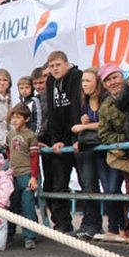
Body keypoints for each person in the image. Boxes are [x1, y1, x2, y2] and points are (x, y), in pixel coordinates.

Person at [45, 51, 83, 233]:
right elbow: (52, 114)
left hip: (78, 138)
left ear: (67, 64)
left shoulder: (77, 77)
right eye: (51, 66)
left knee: (86, 183)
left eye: (58, 65)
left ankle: (91, 224)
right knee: (58, 184)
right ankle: (63, 224)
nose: (54, 69)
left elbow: (77, 107)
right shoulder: (50, 82)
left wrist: (78, 139)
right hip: (62, 140)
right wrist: (56, 140)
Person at [71, 68, 107, 239]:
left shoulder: (106, 99)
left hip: (105, 148)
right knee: (88, 185)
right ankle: (90, 223)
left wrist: (85, 126)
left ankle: (117, 227)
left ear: (97, 82)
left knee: (110, 188)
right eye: (83, 81)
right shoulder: (84, 102)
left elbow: (106, 124)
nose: (84, 84)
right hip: (88, 149)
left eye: (88, 81)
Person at [97, 63, 128, 241]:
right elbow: (104, 134)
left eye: (115, 77)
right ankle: (118, 228)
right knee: (111, 190)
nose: (112, 82)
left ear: (121, 76)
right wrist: (125, 140)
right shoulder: (106, 106)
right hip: (119, 156)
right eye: (108, 80)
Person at [6, 103, 41, 250]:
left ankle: (30, 236)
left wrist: (34, 177)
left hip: (26, 174)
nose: (15, 120)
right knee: (11, 205)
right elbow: (8, 152)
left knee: (27, 206)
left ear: (26, 119)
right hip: (13, 175)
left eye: (18, 117)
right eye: (13, 117)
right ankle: (9, 233)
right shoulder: (10, 135)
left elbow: (34, 158)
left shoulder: (30, 136)